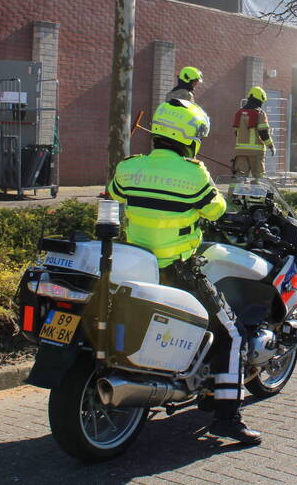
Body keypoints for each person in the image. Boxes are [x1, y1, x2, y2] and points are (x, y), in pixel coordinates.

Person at [107, 99, 260, 444]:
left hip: (134, 269)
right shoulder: (194, 174)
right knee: (232, 333)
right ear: (188, 137)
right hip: (178, 271)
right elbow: (217, 211)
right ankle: (227, 417)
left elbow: (115, 195)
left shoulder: (128, 167)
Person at [231, 86, 275, 178]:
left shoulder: (239, 113)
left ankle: (235, 188)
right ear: (259, 100)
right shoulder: (259, 113)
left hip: (240, 152)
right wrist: (271, 146)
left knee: (239, 177)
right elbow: (263, 133)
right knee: (258, 178)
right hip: (256, 153)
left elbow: (236, 133)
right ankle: (257, 188)